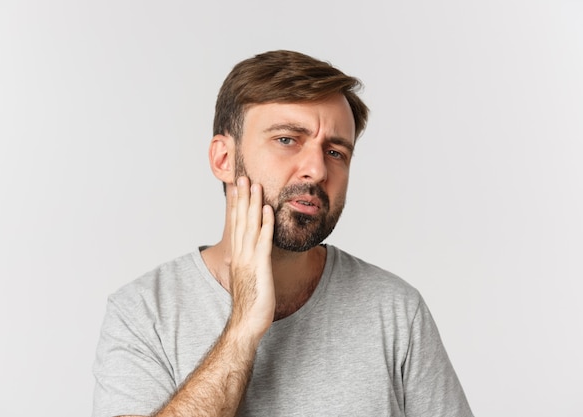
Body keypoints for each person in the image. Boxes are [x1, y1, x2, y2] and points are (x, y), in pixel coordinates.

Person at [92, 50, 474, 417]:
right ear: (224, 159)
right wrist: (243, 327)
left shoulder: (395, 311)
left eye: (336, 152)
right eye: (287, 140)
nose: (317, 170)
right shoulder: (143, 312)